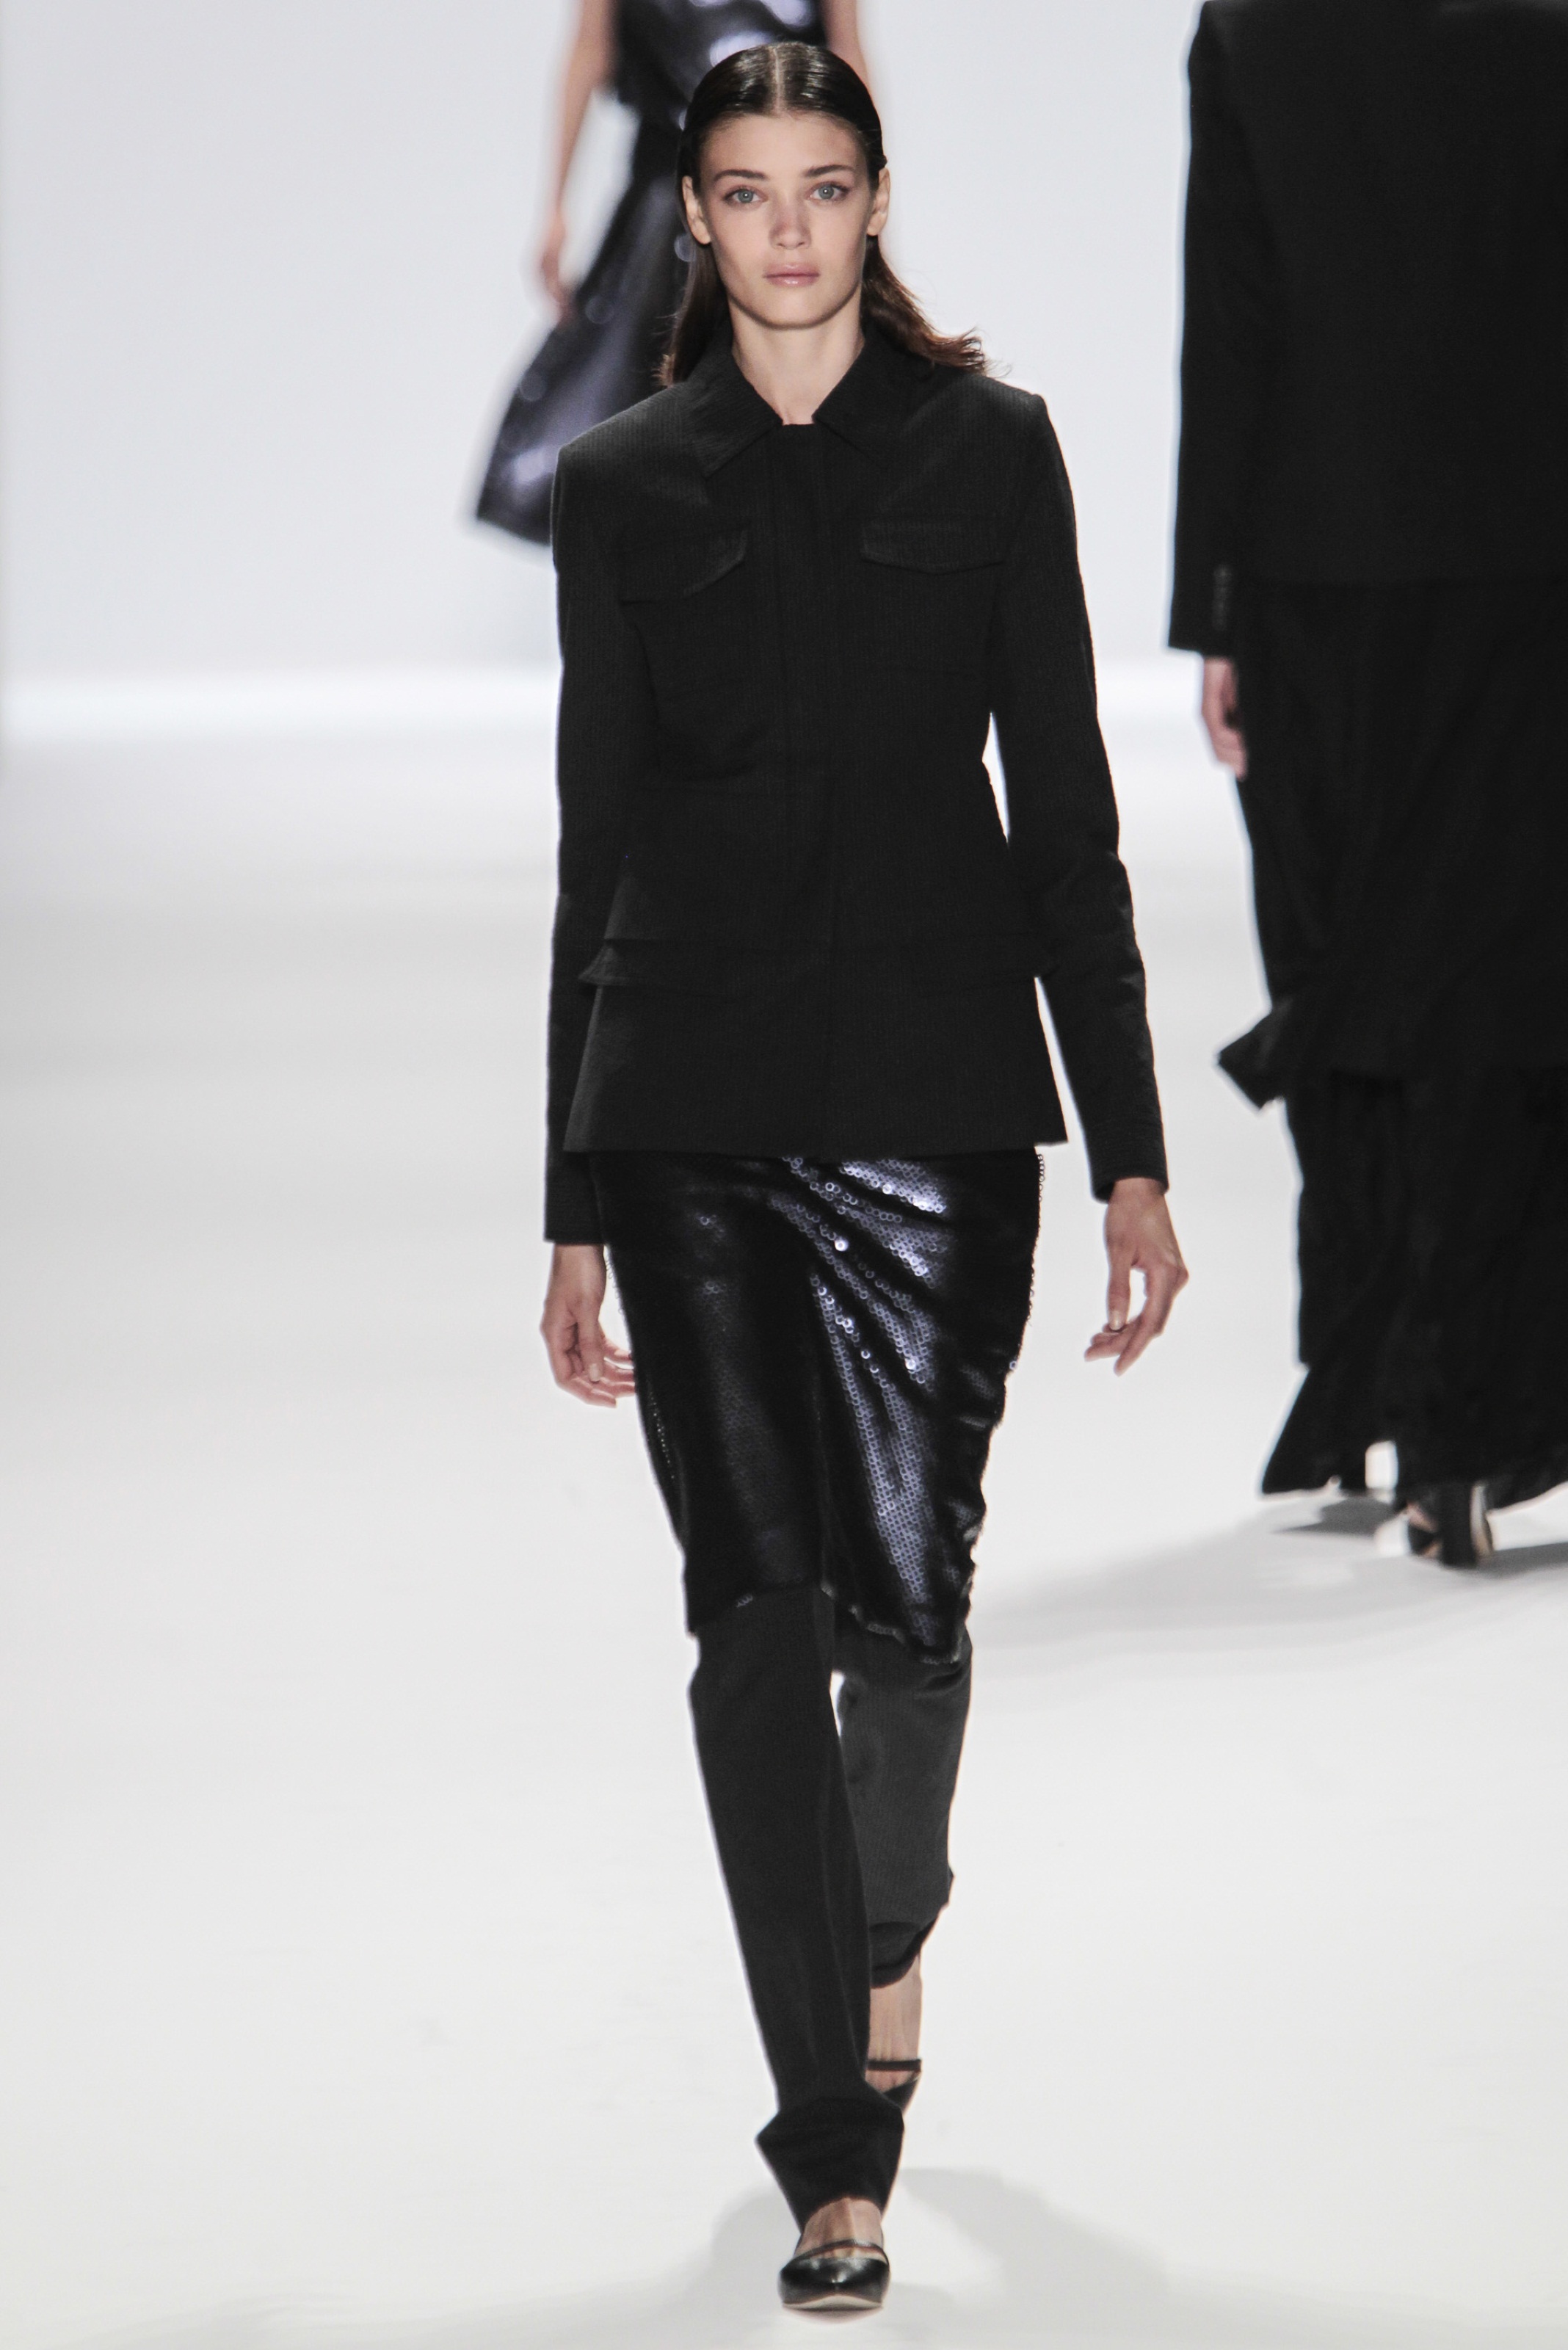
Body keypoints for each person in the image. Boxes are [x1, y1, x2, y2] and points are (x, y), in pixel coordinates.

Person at [541, 40, 1187, 2315]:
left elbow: (1069, 816)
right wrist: (573, 1192)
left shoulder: (993, 452)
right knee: (752, 1624)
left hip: (937, 1109)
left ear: (878, 198)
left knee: (905, 1614)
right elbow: (595, 845)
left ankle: (882, 1920)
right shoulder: (623, 483)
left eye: (825, 185)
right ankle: (834, 2145)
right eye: (748, 190)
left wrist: (1131, 1153)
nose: (790, 227)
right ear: (694, 218)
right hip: (692, 1108)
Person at [1171, 0, 1568, 1566]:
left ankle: (1380, 1381)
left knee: (1350, 961)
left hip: (1313, 570)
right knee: (1499, 969)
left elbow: (1232, 315)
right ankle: (1470, 1411)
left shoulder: (1253, 27)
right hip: (1527, 557)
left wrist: (1213, 608)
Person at [474, 0, 870, 543]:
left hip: (777, 203)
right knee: (640, 399)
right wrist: (556, 207)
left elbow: (847, 59)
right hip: (663, 209)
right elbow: (590, 52)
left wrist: (860, 212)